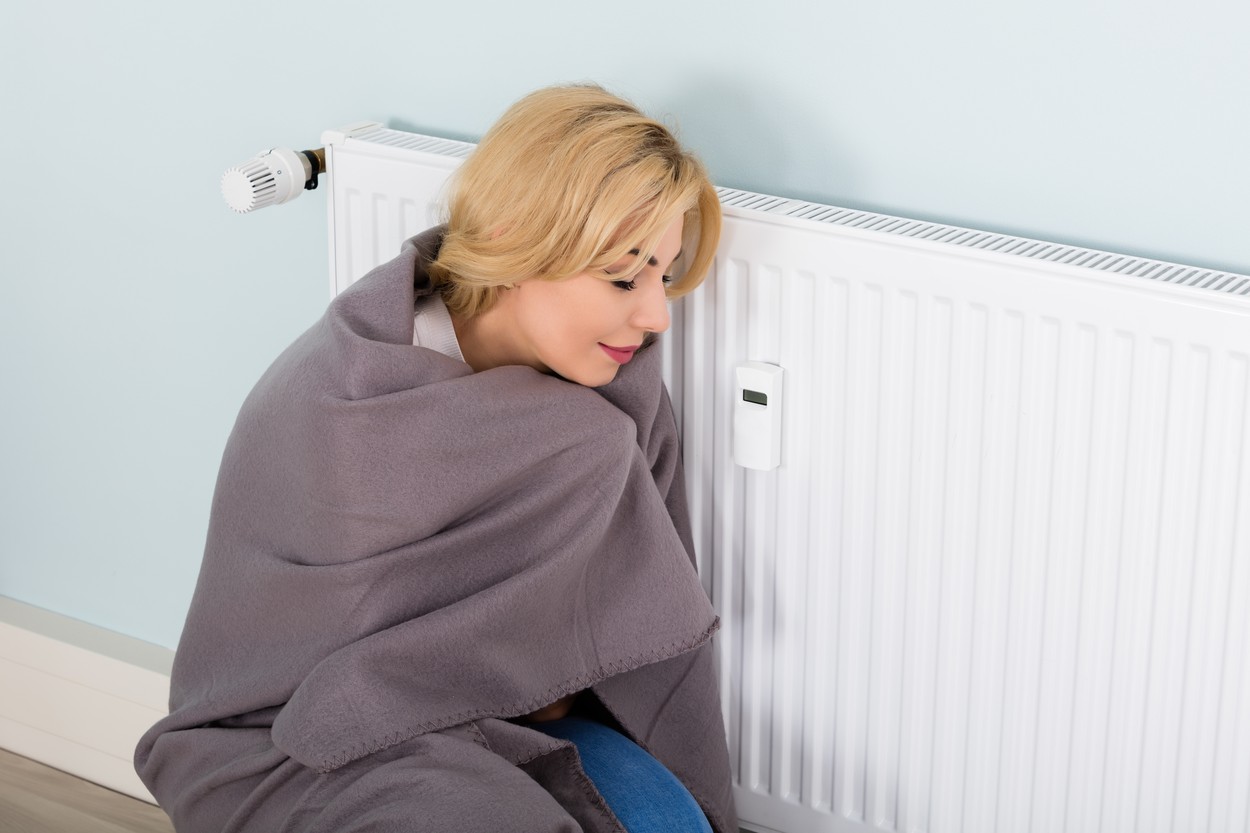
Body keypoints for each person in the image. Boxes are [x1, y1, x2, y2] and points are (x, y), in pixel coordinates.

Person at [135, 84, 735, 833]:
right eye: (623, 277)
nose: (654, 317)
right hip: (286, 731)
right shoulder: (341, 400)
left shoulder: (613, 399)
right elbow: (302, 651)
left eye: (664, 277)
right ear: (520, 240)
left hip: (497, 714)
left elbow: (578, 660)